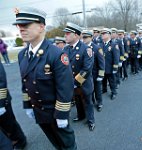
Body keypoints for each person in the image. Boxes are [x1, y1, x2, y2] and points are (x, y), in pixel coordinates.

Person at [13, 7, 76, 149]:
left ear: (41, 26)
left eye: (26, 25)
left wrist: (62, 114)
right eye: (19, 26)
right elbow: (25, 83)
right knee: (55, 143)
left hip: (55, 111)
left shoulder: (56, 54)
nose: (21, 29)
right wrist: (27, 105)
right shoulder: (22, 55)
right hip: (39, 111)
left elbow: (65, 87)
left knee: (68, 145)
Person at [63, 22, 95, 131]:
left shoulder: (86, 49)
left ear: (76, 35)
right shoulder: (65, 49)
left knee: (88, 102)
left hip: (83, 83)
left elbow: (87, 69)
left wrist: (75, 83)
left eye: (68, 33)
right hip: (72, 84)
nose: (65, 36)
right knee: (77, 101)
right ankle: (81, 116)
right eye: (65, 34)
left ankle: (91, 120)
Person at [0, 61, 27, 149]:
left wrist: (1, 103)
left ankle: (20, 141)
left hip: (2, 100)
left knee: (9, 123)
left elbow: (1, 80)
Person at [82, 30, 105, 112]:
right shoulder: (82, 48)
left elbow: (101, 63)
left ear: (91, 37)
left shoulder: (97, 48)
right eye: (83, 37)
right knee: (89, 91)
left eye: (86, 37)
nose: (84, 39)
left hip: (95, 74)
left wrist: (101, 75)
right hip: (87, 75)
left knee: (97, 89)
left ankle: (99, 103)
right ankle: (91, 102)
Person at [100, 28, 119, 100]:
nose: (102, 35)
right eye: (102, 34)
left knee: (111, 80)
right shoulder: (100, 44)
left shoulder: (114, 45)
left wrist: (115, 67)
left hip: (110, 67)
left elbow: (116, 57)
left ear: (108, 35)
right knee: (103, 79)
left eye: (104, 34)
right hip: (102, 66)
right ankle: (104, 89)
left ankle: (113, 92)